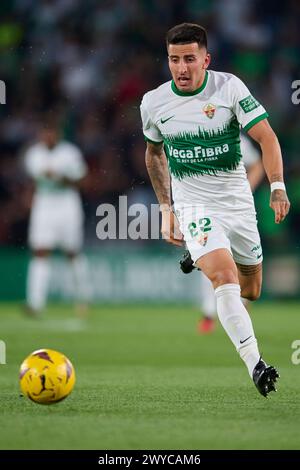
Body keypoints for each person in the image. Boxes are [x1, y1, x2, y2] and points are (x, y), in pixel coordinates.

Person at [140, 23, 290, 397]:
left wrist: (277, 186)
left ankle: (200, 251)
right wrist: (166, 208)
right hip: (194, 206)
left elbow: (267, 137)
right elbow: (154, 153)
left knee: (250, 289)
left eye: (190, 59)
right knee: (223, 278)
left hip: (238, 205)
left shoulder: (229, 88)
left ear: (206, 59)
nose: (182, 68)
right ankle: (255, 363)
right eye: (174, 60)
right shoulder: (154, 103)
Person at [195, 133, 265, 333]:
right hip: (207, 210)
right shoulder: (193, 135)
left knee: (240, 263)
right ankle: (208, 313)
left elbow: (257, 165)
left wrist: (245, 190)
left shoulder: (236, 138)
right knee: (208, 260)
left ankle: (241, 307)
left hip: (237, 211)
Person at [24, 116, 91, 316]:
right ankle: (35, 303)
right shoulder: (34, 154)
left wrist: (63, 178)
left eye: (52, 132)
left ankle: (83, 299)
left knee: (72, 252)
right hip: (44, 204)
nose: (48, 136)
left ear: (58, 134)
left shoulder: (70, 153)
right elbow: (37, 177)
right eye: (45, 132)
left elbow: (83, 181)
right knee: (40, 251)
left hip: (67, 204)